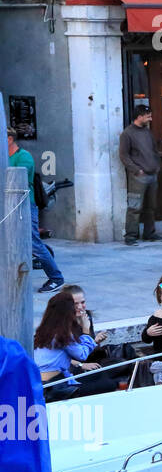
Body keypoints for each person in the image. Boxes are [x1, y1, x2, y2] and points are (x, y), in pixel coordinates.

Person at [33, 292, 120, 398]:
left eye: (82, 303)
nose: (79, 307)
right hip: (54, 386)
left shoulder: (46, 327)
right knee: (109, 384)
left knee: (100, 375)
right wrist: (86, 330)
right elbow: (82, 355)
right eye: (75, 305)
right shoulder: (61, 332)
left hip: (55, 378)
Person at [9, 127, 64, 291]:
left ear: (9, 139)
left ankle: (56, 278)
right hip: (9, 205)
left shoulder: (23, 157)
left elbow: (15, 179)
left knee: (33, 243)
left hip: (24, 205)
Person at [119, 104, 161, 245]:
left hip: (152, 174)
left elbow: (154, 151)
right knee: (134, 207)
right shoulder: (127, 133)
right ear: (139, 116)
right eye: (148, 115)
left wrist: (157, 166)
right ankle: (130, 236)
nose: (150, 118)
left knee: (151, 206)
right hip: (138, 177)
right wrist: (137, 170)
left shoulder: (148, 132)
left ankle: (149, 233)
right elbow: (124, 156)